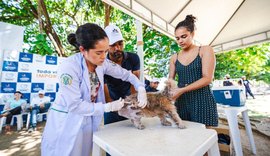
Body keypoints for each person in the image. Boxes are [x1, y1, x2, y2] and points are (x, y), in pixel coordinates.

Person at [41, 23, 147, 156]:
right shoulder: (69, 67)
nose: (104, 56)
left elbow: (126, 75)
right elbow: (75, 105)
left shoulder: (102, 63)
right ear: (83, 50)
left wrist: (140, 88)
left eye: (106, 51)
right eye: (99, 52)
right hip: (67, 122)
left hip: (88, 120)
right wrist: (108, 107)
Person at [169, 15, 218, 127]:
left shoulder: (205, 50)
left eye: (184, 36)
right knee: (184, 135)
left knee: (203, 135)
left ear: (192, 34)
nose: (180, 41)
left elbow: (207, 78)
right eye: (177, 38)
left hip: (202, 99)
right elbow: (170, 81)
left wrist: (182, 90)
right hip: (181, 101)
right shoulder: (174, 57)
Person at [103, 24, 141, 124]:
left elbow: (134, 82)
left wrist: (133, 103)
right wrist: (117, 108)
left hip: (130, 102)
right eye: (113, 45)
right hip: (112, 105)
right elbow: (106, 96)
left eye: (120, 44)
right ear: (106, 46)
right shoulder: (102, 64)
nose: (117, 48)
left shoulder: (133, 58)